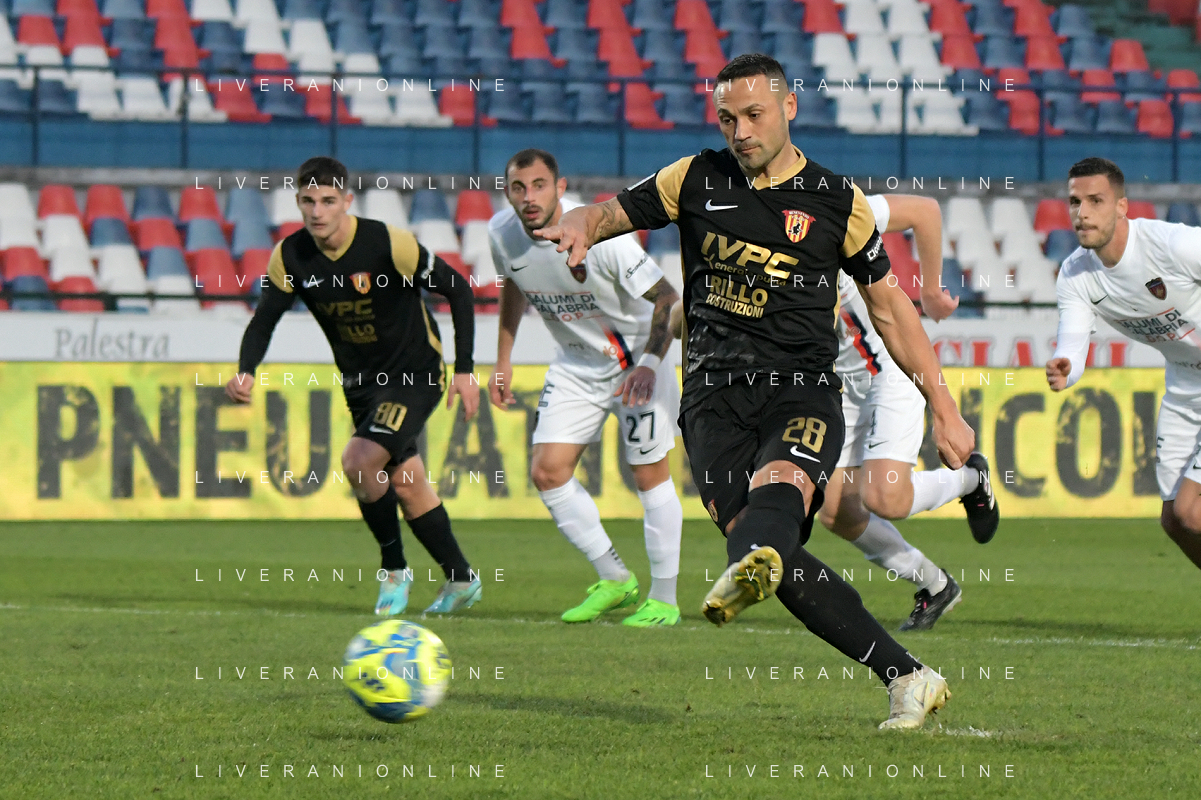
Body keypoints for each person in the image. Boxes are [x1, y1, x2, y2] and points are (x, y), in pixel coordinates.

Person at [535, 53, 976, 730]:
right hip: (711, 401)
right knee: (769, 549)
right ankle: (907, 676)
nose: (739, 131)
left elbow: (891, 311)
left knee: (778, 499)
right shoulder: (693, 178)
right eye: (726, 119)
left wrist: (943, 409)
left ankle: (755, 562)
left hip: (801, 391)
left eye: (753, 115)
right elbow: (610, 213)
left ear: (788, 107)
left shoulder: (838, 203)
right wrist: (579, 224)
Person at [225, 156, 482, 616]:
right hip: (361, 386)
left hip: (414, 374)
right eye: (308, 201)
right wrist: (246, 369)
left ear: (347, 201)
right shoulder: (290, 256)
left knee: (359, 461)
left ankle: (394, 570)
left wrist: (464, 371)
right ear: (297, 202)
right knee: (407, 484)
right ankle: (461, 579)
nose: (317, 211)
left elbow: (458, 289)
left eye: (328, 201)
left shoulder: (387, 243)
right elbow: (264, 319)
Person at [488, 148, 684, 627]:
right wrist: (503, 359)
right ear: (507, 192)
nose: (529, 197)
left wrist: (650, 365)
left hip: (637, 361)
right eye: (518, 188)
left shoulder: (603, 236)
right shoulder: (500, 233)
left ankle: (664, 599)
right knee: (548, 471)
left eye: (539, 186)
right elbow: (513, 283)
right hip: (576, 364)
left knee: (648, 474)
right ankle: (614, 579)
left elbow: (668, 299)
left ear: (560, 188)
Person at [819, 193, 1000, 632]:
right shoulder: (754, 244)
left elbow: (924, 211)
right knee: (837, 511)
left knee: (885, 498)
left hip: (892, 367)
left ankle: (970, 479)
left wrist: (931, 290)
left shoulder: (831, 209)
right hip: (841, 384)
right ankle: (935, 586)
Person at [1047, 156, 1201, 570]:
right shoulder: (1075, 275)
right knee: (1174, 522)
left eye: (1095, 201)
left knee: (1191, 511)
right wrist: (1066, 367)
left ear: (1121, 206)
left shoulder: (1172, 246)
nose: (1082, 213)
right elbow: (1072, 345)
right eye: (1075, 202)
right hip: (1186, 389)